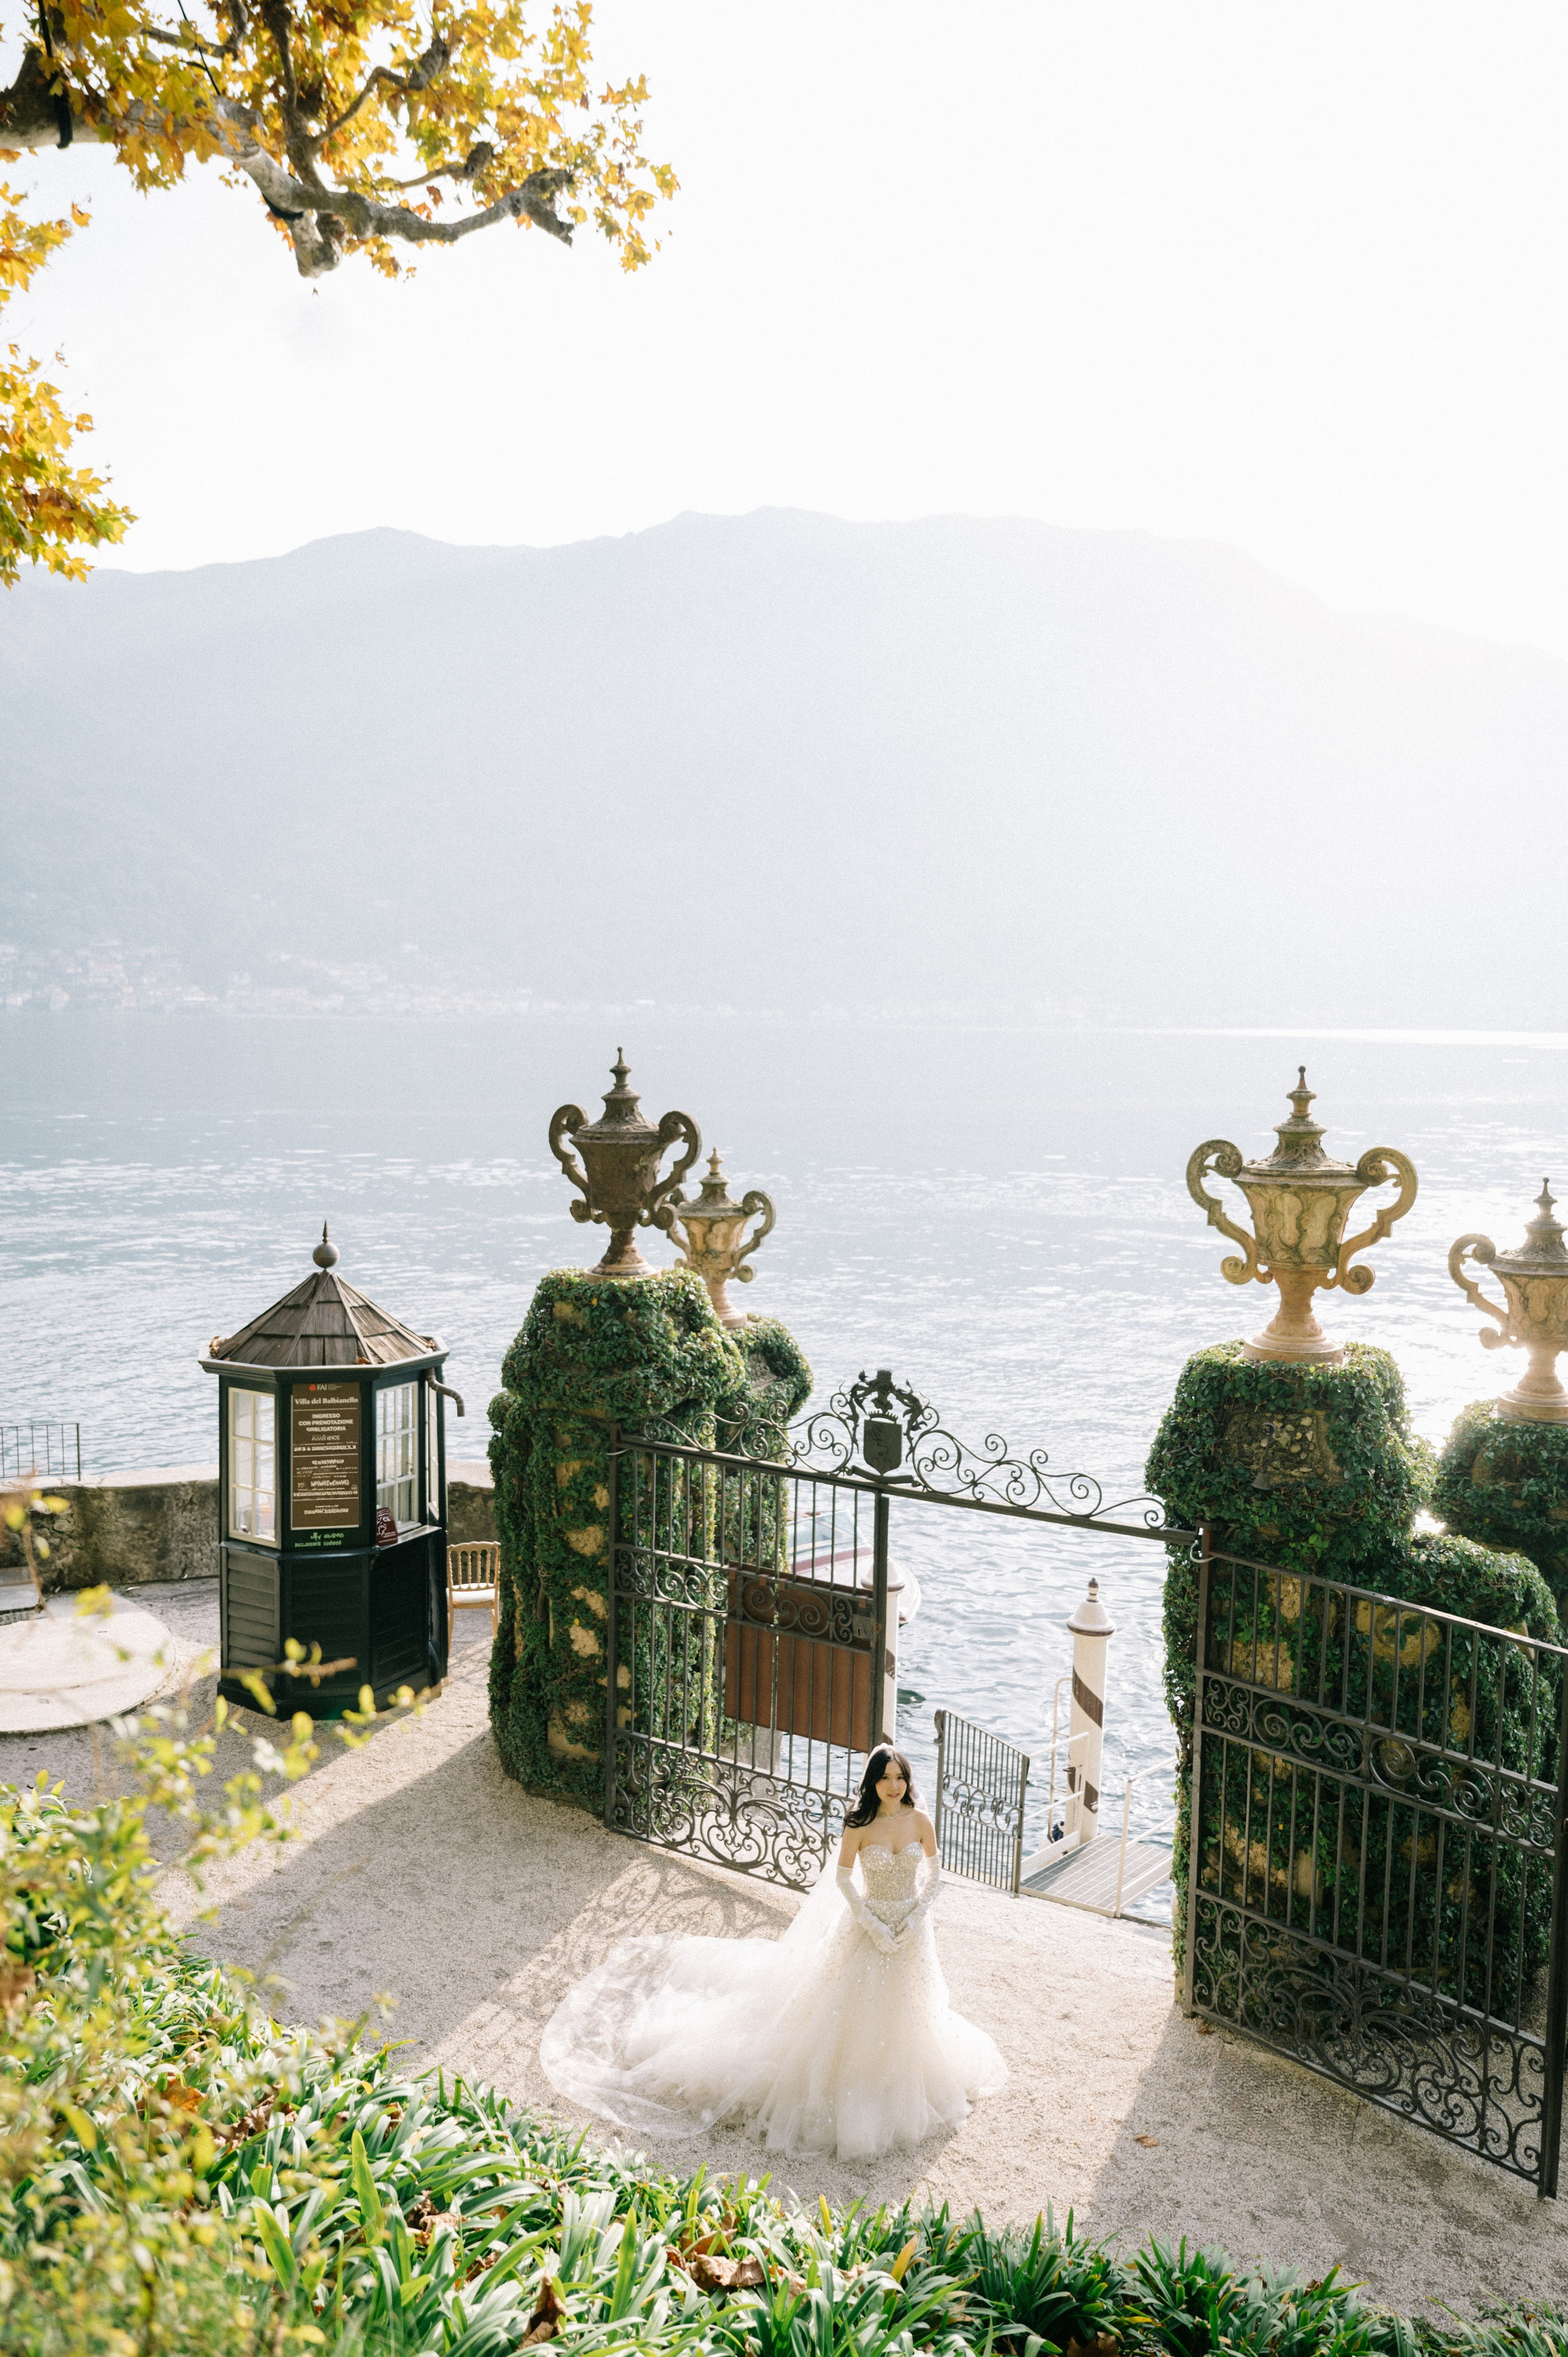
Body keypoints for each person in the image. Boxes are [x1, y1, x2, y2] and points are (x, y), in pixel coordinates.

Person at [538, 1745, 1007, 2162]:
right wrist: (871, 1922)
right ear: (872, 1783)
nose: (893, 1785)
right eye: (884, 1778)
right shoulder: (859, 1824)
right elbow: (844, 1880)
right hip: (866, 1927)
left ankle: (903, 2082)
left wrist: (914, 1919)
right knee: (848, 2007)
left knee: (910, 2003)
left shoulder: (920, 1821)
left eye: (899, 1777)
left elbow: (936, 1876)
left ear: (907, 1781)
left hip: (910, 1931)